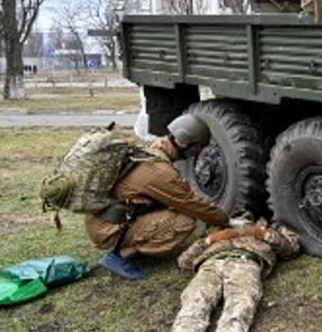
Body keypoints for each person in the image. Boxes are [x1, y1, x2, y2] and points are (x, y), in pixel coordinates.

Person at [84, 114, 231, 280]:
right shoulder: (159, 171)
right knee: (185, 221)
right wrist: (226, 221)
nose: (197, 152)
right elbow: (192, 204)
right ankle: (119, 254)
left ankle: (129, 242)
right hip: (107, 229)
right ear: (183, 142)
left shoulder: (152, 148)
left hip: (101, 219)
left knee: (170, 207)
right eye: (196, 147)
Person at [171, 220, 301, 332]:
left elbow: (292, 249)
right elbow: (184, 261)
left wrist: (265, 235)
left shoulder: (272, 225)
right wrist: (209, 240)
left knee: (240, 305)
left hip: (245, 261)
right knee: (194, 302)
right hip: (211, 263)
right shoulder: (216, 227)